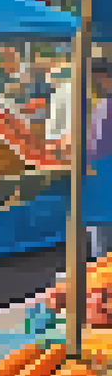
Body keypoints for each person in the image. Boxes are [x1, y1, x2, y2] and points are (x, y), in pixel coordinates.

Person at [83, 61, 112, 260]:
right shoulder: (100, 105)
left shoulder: (103, 106)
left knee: (101, 236)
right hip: (98, 176)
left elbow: (96, 146)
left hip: (102, 177)